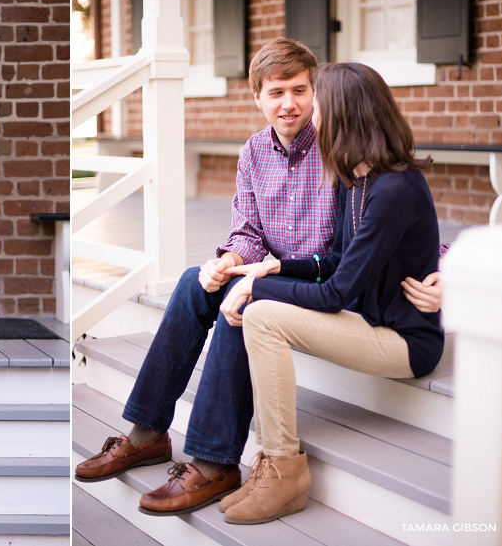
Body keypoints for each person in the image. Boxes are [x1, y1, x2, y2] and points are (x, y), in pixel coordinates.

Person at [73, 39, 442, 516]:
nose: (291, 104)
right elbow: (248, 232)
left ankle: (211, 460)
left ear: (318, 97)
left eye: (302, 92)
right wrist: (228, 262)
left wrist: (448, 271)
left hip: (331, 291)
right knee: (193, 282)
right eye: (276, 92)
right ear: (258, 98)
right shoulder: (258, 152)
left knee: (246, 308)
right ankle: (146, 434)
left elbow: (396, 237)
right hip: (294, 272)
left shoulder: (343, 156)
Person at [218, 62, 444, 525]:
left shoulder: (395, 190)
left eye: (317, 104)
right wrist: (276, 265)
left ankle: (283, 469)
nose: (310, 115)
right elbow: (337, 262)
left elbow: (337, 292)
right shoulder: (356, 180)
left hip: (406, 341)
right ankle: (273, 465)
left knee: (261, 315)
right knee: (260, 311)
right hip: (369, 319)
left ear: (344, 114)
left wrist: (257, 287)